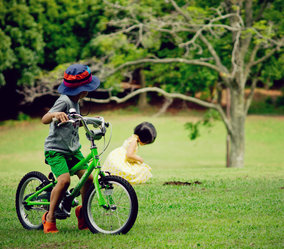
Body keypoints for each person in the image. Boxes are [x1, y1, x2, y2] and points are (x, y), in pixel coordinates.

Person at [41, 64, 100, 233]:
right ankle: (50, 216)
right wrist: (55, 115)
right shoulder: (64, 100)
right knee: (64, 180)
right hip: (56, 150)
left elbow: (74, 121)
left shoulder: (76, 101)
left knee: (88, 179)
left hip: (73, 149)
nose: (88, 91)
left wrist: (90, 121)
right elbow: (45, 119)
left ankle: (82, 212)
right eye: (86, 88)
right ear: (81, 89)